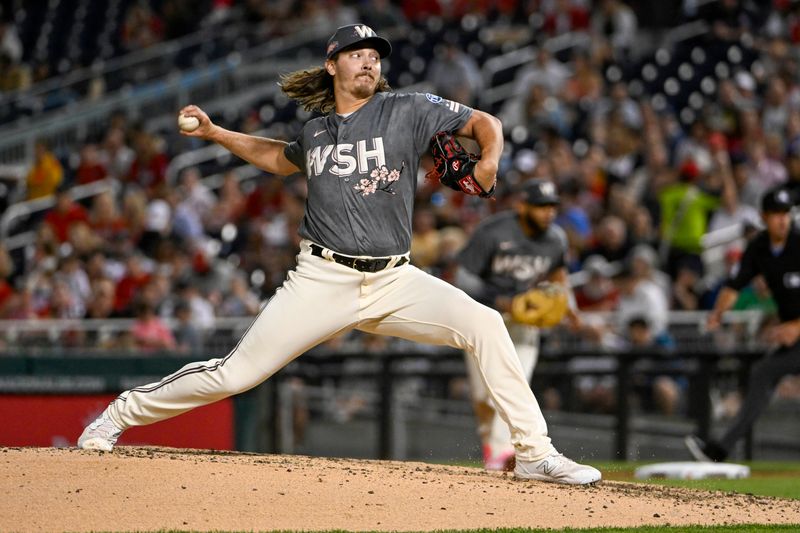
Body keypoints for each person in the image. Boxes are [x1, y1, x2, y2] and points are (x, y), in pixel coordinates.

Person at [77, 24, 600, 485]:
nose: (369, 59)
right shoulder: (316, 131)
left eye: (375, 53)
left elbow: (486, 121)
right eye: (356, 53)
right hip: (322, 279)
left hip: (395, 280)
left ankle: (535, 453)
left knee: (487, 325)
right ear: (332, 66)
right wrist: (216, 133)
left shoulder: (409, 109)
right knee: (234, 375)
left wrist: (488, 160)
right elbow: (279, 160)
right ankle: (118, 415)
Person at [455, 178, 578, 471]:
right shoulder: (493, 232)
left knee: (513, 381)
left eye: (551, 207)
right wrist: (500, 301)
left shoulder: (556, 239)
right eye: (540, 206)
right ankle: (492, 448)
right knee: (483, 396)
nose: (548, 212)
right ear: (522, 206)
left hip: (525, 321)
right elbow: (464, 279)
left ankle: (502, 454)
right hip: (483, 317)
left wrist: (571, 308)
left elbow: (559, 275)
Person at [685, 187, 800, 462]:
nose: (782, 219)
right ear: (764, 217)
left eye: (785, 213)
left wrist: (797, 325)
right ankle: (720, 450)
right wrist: (718, 313)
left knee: (764, 371)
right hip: (794, 336)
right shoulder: (760, 248)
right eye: (775, 214)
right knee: (762, 373)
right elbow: (734, 284)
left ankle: (720, 450)